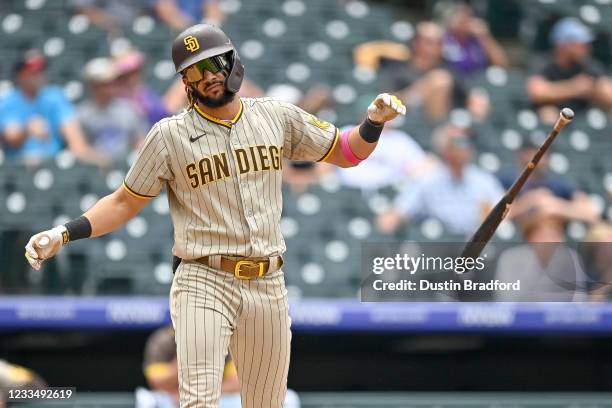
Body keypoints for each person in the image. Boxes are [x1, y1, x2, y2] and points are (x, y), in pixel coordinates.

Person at [24, 24, 405, 408]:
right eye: (193, 71)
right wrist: (64, 233)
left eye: (213, 64)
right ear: (184, 82)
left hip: (268, 282)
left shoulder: (274, 114)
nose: (207, 77)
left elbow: (346, 152)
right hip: (203, 278)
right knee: (200, 402)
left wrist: (372, 123)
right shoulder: (168, 136)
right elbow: (125, 201)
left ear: (231, 62)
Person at [377, 124, 503, 236]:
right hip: (440, 245)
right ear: (444, 149)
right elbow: (396, 213)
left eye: (466, 142)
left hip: (475, 245)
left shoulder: (483, 180)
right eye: (457, 143)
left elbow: (504, 209)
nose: (464, 147)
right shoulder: (428, 180)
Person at [137, 326, 300, 408]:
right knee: (149, 400)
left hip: (216, 397)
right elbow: (156, 382)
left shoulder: (224, 335)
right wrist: (188, 356)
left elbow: (239, 383)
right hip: (173, 399)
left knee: (286, 398)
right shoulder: (163, 340)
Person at [0, 50, 106, 166]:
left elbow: (75, 139)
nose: (37, 76)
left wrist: (96, 159)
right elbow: (12, 137)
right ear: (20, 75)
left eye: (40, 71)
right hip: (18, 166)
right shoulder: (9, 101)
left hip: (53, 164)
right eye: (31, 72)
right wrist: (27, 130)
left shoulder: (55, 97)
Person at [494, 203, 588, 302]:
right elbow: (506, 298)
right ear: (530, 237)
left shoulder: (571, 258)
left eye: (555, 235)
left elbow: (578, 299)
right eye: (544, 235)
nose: (550, 241)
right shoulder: (510, 259)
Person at [527, 17, 612, 122]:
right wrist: (573, 88)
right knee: (548, 113)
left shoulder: (588, 65)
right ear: (563, 44)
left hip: (582, 116)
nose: (587, 48)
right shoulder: (544, 62)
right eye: (581, 44)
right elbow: (537, 92)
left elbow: (608, 92)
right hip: (554, 115)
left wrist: (597, 89)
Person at [498, 140, 600, 224]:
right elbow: (498, 216)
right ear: (521, 154)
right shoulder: (507, 179)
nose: (539, 157)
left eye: (545, 152)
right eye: (533, 151)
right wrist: (531, 200)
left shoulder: (558, 182)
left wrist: (556, 206)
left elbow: (591, 213)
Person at [77, 57, 147, 159]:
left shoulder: (129, 109)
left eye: (111, 81)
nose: (109, 86)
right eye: (103, 83)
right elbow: (80, 148)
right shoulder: (82, 114)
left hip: (127, 166)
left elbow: (140, 141)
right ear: (92, 85)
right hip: (94, 166)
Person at [439, 3, 508, 77]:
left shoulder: (479, 40)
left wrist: (485, 36)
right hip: (453, 82)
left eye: (469, 18)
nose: (466, 21)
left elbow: (501, 64)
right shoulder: (444, 39)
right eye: (462, 18)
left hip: (479, 82)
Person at [114, 51, 171, 127]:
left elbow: (162, 114)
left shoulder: (146, 93)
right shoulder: (117, 97)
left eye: (135, 72)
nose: (132, 78)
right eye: (127, 75)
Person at [149, 0, 224, 31]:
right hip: (172, 33)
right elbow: (167, 11)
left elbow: (213, 8)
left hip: (200, 30)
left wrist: (210, 24)